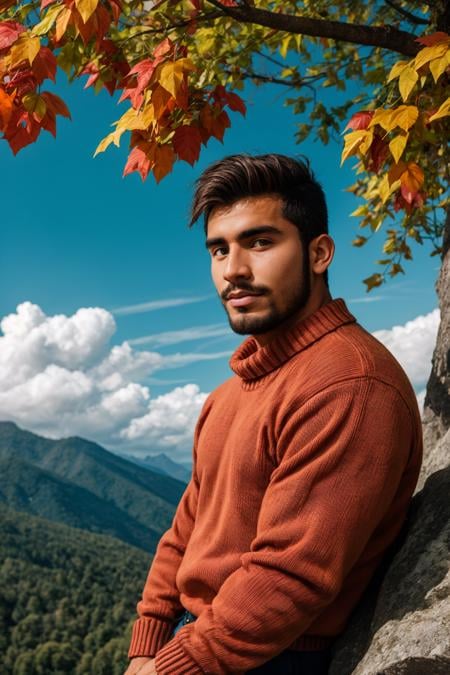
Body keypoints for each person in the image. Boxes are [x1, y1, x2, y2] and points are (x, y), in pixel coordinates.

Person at [124, 154, 423, 675]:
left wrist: (172, 666)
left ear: (319, 253)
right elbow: (185, 530)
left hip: (270, 655)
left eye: (260, 242)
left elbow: (291, 575)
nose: (233, 270)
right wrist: (147, 642)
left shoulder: (351, 384)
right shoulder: (228, 393)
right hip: (194, 641)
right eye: (219, 250)